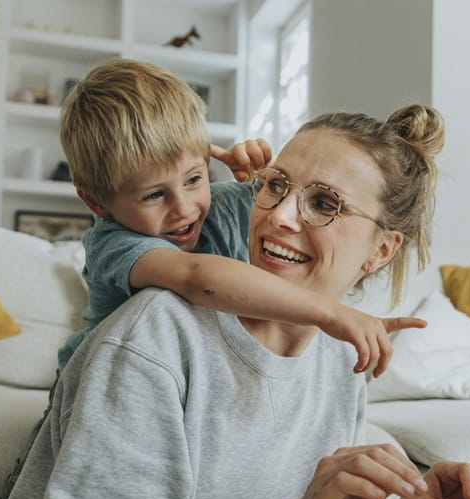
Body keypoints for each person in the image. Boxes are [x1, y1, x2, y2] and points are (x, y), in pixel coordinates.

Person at [0, 104, 470, 499]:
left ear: (380, 252)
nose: (279, 215)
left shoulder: (340, 358)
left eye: (324, 203)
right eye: (276, 186)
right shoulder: (154, 338)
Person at [56, 59, 421, 377]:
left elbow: (287, 204)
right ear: (96, 202)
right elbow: (196, 277)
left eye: (195, 179)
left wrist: (262, 176)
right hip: (103, 388)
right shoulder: (114, 243)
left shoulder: (222, 203)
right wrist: (329, 313)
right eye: (154, 195)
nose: (184, 208)